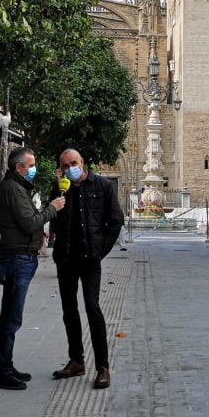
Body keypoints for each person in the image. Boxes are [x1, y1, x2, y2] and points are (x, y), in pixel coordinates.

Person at [0, 147, 65, 391]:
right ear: (19, 167)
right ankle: (2, 371)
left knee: (12, 315)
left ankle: (6, 365)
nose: (34, 169)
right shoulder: (13, 188)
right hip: (16, 257)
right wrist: (52, 208)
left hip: (20, 256)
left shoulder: (17, 187)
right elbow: (29, 222)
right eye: (31, 165)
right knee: (11, 318)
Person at [49, 148, 124, 390]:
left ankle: (102, 367)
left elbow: (115, 222)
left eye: (73, 163)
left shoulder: (102, 186)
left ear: (82, 163)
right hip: (66, 258)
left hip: (90, 258)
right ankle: (77, 361)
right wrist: (58, 187)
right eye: (65, 165)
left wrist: (100, 250)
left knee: (92, 308)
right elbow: (53, 217)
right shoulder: (62, 188)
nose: (70, 167)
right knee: (69, 309)